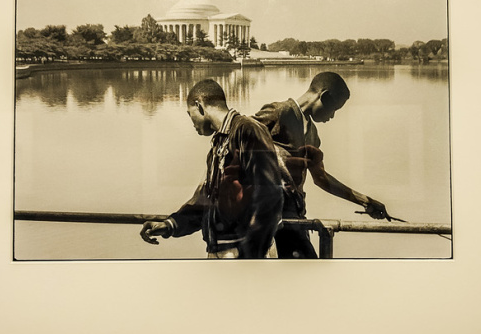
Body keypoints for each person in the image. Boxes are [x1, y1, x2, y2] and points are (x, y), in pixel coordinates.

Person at [254, 71, 399, 259]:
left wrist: (365, 200)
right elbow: (237, 138)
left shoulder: (312, 135)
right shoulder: (279, 112)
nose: (332, 117)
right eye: (334, 109)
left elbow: (321, 178)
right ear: (323, 96)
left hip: (295, 217)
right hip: (268, 218)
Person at [140, 79, 285, 259]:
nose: (191, 122)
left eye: (189, 114)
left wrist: (251, 253)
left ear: (199, 105)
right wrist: (170, 224)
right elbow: (205, 202)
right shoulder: (218, 144)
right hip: (222, 251)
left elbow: (270, 197)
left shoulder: (247, 130)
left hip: (242, 253)